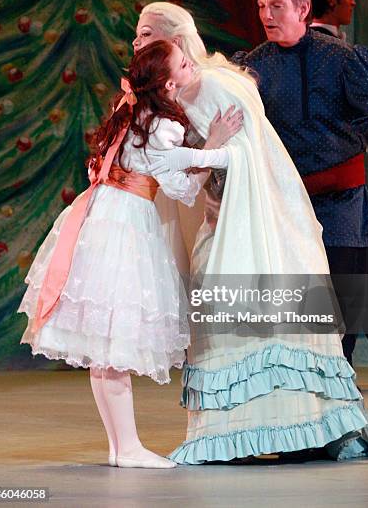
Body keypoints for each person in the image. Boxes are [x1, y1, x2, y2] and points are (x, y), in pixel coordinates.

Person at [133, 2, 368, 464]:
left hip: (255, 219)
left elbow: (247, 157)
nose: (137, 43)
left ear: (175, 39)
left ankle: (295, 429)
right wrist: (207, 152)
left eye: (145, 34)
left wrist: (210, 153)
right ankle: (240, 436)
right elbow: (186, 174)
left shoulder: (212, 85)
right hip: (221, 217)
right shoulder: (173, 96)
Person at [18, 40, 243, 469]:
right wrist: (214, 148)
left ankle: (120, 446)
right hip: (124, 226)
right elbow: (179, 187)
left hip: (99, 218)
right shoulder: (162, 125)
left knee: (104, 348)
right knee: (115, 342)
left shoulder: (129, 112)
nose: (190, 64)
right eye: (182, 62)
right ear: (169, 81)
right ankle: (129, 448)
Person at [234, 0, 368, 391]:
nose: (267, 14)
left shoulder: (341, 59)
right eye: (262, 6)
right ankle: (304, 397)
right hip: (286, 206)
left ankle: (333, 399)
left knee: (342, 301)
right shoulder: (251, 69)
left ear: (303, 7)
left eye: (277, 6)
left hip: (341, 202)